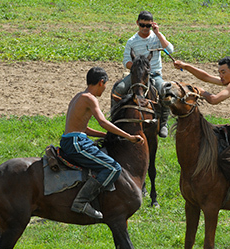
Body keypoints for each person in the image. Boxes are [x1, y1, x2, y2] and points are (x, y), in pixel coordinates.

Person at [174, 57, 230, 210]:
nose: (220, 76)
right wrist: (186, 66)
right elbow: (205, 77)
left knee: (228, 158)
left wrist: (200, 92)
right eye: (219, 73)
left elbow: (214, 100)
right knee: (214, 132)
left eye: (223, 72)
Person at [60, 66, 144, 219]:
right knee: (112, 168)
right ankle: (81, 201)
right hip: (76, 143)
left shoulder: (78, 96)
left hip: (73, 139)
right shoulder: (90, 98)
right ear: (101, 82)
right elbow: (103, 121)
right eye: (105, 85)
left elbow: (83, 128)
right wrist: (128, 137)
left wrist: (106, 136)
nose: (104, 89)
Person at [113, 10, 174, 138]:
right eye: (142, 25)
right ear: (137, 23)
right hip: (137, 75)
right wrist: (137, 68)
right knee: (118, 89)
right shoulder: (132, 41)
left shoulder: (156, 37)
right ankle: (114, 119)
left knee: (165, 91)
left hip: (154, 74)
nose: (145, 28)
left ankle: (163, 123)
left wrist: (157, 32)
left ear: (152, 25)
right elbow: (126, 61)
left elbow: (170, 50)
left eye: (148, 25)